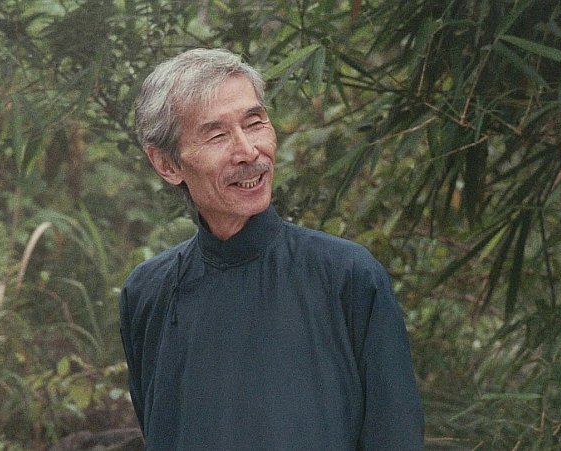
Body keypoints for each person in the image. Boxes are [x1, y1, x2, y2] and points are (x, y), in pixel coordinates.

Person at [119, 48, 424, 450]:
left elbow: (395, 434)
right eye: (217, 135)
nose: (248, 151)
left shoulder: (347, 276)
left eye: (255, 123)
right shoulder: (147, 293)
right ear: (166, 164)